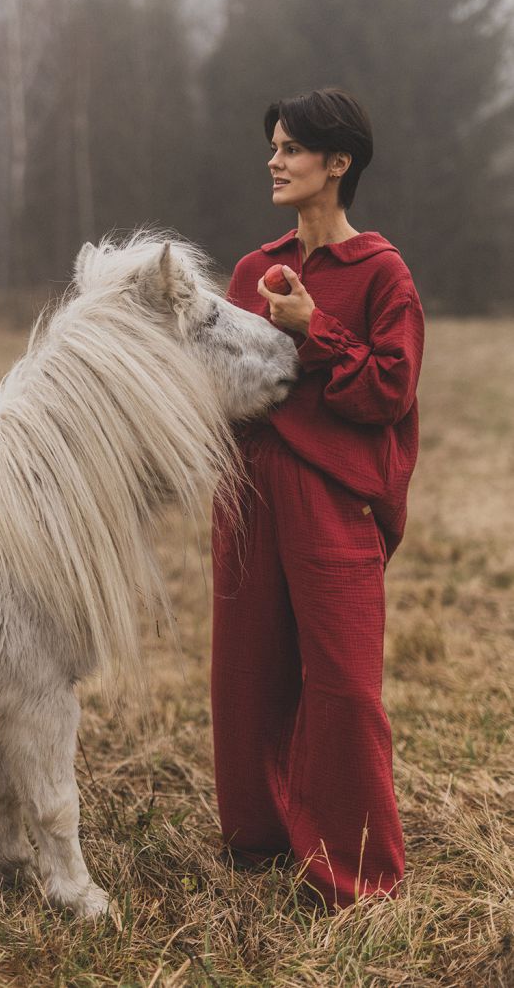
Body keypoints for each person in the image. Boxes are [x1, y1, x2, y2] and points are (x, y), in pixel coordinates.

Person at [211, 87, 424, 910]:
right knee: (249, 671)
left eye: (291, 148)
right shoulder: (251, 270)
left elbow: (389, 393)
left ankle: (357, 871)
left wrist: (313, 329)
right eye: (273, 146)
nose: (274, 160)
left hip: (333, 497)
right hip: (249, 492)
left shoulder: (382, 273)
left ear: (338, 162)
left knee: (344, 682)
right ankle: (260, 837)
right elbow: (221, 382)